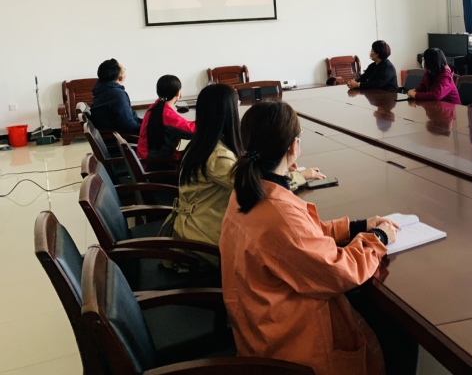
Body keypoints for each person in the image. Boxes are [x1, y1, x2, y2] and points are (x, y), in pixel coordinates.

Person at [220, 101, 416, 375]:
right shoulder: (278, 211)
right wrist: (378, 237)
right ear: (292, 147)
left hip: (260, 321)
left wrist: (357, 227)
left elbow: (300, 240)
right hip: (290, 342)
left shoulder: (247, 188)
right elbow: (339, 271)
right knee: (399, 328)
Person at [170, 84, 327, 250]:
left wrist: (279, 166)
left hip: (200, 224)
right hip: (203, 240)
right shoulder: (217, 156)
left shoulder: (206, 143)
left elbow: (246, 170)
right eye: (237, 105)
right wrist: (300, 176)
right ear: (228, 112)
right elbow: (257, 186)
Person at [137, 75, 196, 164]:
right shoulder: (166, 114)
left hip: (147, 157)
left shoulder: (155, 107)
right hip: (155, 163)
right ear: (177, 93)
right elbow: (192, 131)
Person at [90, 58, 142, 134]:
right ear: (120, 77)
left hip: (115, 134)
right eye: (124, 70)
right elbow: (129, 126)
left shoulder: (103, 90)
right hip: (121, 138)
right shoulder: (117, 95)